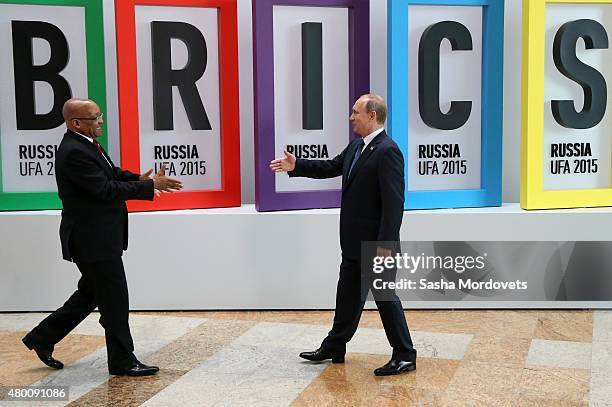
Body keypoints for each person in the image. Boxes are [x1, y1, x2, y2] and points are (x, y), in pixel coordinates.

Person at [22, 98, 183, 376]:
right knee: (115, 299)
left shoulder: (86, 143)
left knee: (90, 294)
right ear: (76, 122)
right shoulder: (74, 151)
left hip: (99, 237)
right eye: (95, 117)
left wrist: (140, 180)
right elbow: (105, 189)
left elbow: (112, 174)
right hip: (91, 240)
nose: (100, 121)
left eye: (100, 115)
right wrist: (147, 186)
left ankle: (42, 337)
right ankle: (122, 361)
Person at [270, 94, 417, 376]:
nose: (351, 117)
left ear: (372, 115)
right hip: (352, 244)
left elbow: (394, 204)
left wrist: (384, 246)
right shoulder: (355, 148)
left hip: (377, 247)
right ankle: (335, 346)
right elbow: (329, 167)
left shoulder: (388, 151)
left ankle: (405, 354)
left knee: (385, 298)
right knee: (347, 296)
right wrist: (296, 165)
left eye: (355, 112)